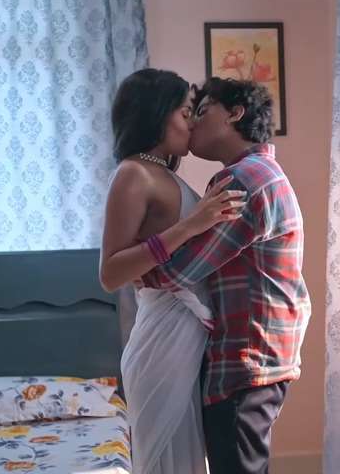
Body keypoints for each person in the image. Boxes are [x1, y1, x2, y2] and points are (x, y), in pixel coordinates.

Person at [140, 77, 311, 474]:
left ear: (235, 113)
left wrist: (137, 269)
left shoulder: (242, 180)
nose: (192, 123)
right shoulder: (262, 172)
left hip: (245, 357)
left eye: (202, 112)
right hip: (262, 354)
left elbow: (179, 273)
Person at [99, 68, 247, 474]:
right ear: (157, 113)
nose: (192, 122)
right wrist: (190, 226)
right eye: (185, 113)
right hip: (161, 342)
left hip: (190, 340)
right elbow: (110, 273)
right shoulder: (132, 174)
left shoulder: (162, 174)